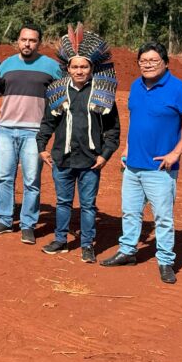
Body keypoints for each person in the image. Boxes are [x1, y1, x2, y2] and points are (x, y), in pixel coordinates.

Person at [101, 41, 182, 284]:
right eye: (143, 61)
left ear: (165, 63)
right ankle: (128, 251)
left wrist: (176, 153)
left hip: (160, 168)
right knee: (130, 212)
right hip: (133, 165)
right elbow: (136, 121)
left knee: (163, 218)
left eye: (153, 61)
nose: (147, 65)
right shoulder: (136, 86)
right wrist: (126, 150)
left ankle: (166, 261)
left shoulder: (179, 89)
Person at [36, 25, 120, 262]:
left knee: (87, 205)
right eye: (75, 66)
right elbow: (47, 122)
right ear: (68, 68)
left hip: (91, 161)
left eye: (84, 66)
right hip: (62, 159)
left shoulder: (103, 93)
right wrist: (42, 148)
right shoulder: (56, 90)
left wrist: (105, 155)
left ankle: (87, 244)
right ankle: (61, 239)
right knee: (63, 202)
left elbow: (113, 129)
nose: (79, 70)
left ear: (92, 68)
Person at [0, 25, 61, 244]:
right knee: (5, 178)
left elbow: (61, 95)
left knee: (31, 180)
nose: (27, 44)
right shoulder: (6, 65)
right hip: (6, 129)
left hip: (34, 132)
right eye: (23, 39)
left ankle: (28, 224)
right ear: (17, 41)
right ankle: (5, 219)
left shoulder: (52, 67)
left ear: (39, 42)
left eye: (32, 40)